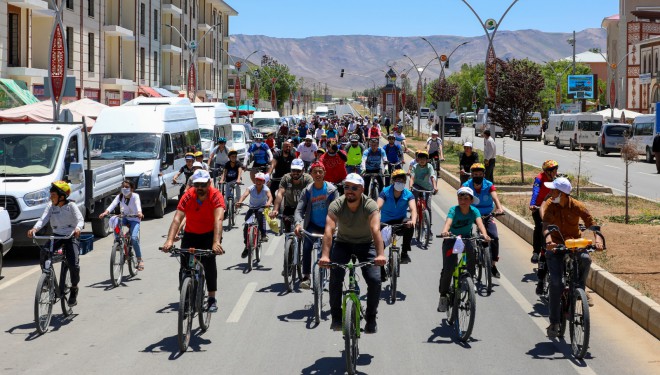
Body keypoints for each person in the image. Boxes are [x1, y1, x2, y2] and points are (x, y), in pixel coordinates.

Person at [319, 173, 386, 333]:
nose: (349, 191)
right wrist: (325, 255)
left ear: (362, 189)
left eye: (354, 188)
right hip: (343, 243)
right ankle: (336, 317)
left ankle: (371, 317)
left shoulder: (370, 205)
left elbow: (375, 230)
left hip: (366, 244)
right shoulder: (337, 204)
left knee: (375, 280)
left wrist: (380, 254)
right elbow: (329, 230)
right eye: (346, 187)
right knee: (335, 279)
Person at [542, 177, 603, 337]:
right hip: (556, 246)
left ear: (562, 193)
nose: (550, 192)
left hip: (575, 243)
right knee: (557, 283)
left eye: (553, 190)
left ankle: (579, 291)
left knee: (586, 259)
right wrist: (548, 240)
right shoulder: (549, 204)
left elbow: (591, 222)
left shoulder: (576, 206)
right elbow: (546, 225)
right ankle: (554, 322)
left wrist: (598, 238)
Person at [162, 169, 225, 313]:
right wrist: (169, 241)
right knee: (184, 266)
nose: (200, 188)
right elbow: (177, 218)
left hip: (210, 234)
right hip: (191, 234)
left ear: (209, 183)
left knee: (209, 263)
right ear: (193, 184)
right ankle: (186, 297)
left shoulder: (216, 195)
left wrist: (216, 243)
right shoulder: (188, 195)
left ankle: (211, 298)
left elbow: (218, 219)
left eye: (203, 184)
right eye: (197, 185)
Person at [28, 181, 84, 306]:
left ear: (62, 196)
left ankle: (74, 288)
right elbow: (43, 219)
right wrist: (35, 229)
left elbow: (80, 220)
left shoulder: (71, 206)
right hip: (57, 236)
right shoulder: (50, 206)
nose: (50, 197)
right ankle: (47, 280)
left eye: (53, 195)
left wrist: (78, 229)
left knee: (73, 264)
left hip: (70, 236)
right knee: (44, 252)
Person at [437, 187, 491, 312]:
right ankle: (443, 296)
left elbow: (480, 223)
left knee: (472, 258)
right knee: (448, 269)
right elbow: (448, 223)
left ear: (471, 200)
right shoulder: (453, 210)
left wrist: (485, 234)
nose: (463, 201)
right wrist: (445, 231)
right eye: (460, 198)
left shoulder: (474, 211)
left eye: (466, 198)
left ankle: (469, 282)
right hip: (451, 239)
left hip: (466, 238)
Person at [293, 162, 339, 289]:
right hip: (312, 225)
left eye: (320, 171)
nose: (318, 174)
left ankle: (334, 277)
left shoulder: (332, 190)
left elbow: (338, 209)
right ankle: (306, 276)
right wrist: (298, 224)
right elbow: (299, 210)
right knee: (307, 246)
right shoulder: (307, 191)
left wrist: (336, 226)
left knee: (333, 250)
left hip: (328, 226)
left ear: (324, 173)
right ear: (311, 174)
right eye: (315, 172)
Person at [462, 163, 504, 278]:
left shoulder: (488, 185)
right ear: (471, 175)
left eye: (480, 174)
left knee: (494, 236)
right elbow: (462, 198)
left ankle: (493, 265)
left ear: (484, 175)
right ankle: (465, 262)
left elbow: (495, 196)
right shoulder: (466, 185)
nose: (478, 176)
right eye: (475, 174)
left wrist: (499, 208)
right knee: (466, 237)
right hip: (471, 214)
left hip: (487, 214)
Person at [99, 180, 145, 270]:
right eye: (123, 187)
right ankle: (118, 241)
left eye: (127, 187)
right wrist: (105, 213)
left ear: (132, 189)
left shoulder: (135, 196)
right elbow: (112, 205)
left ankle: (139, 259)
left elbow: (138, 205)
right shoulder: (120, 196)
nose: (124, 189)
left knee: (134, 238)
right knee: (115, 220)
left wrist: (139, 212)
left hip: (134, 218)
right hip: (124, 217)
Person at [377, 169, 416, 265]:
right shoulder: (385, 192)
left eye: (402, 180)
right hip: (385, 223)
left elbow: (413, 209)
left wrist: (413, 221)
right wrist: (375, 219)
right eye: (397, 180)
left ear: (405, 182)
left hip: (401, 221)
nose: (400, 182)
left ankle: (404, 252)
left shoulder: (408, 194)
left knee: (409, 225)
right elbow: (377, 207)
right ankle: (381, 269)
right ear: (393, 181)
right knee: (379, 247)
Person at [529, 160, 559, 273]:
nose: (556, 172)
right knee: (539, 227)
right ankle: (536, 251)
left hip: (550, 206)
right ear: (548, 172)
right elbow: (535, 191)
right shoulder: (539, 178)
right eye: (554, 170)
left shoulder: (556, 179)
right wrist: (532, 204)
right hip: (537, 206)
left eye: (556, 170)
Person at [236, 172, 273, 256]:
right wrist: (240, 202)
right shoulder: (251, 188)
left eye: (260, 180)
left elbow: (270, 197)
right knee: (246, 225)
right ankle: (246, 245)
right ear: (254, 180)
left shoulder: (266, 189)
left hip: (262, 207)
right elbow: (244, 195)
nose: (258, 182)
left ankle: (263, 234)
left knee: (260, 215)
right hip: (252, 208)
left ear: (264, 181)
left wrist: (268, 203)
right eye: (257, 180)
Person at [271, 159, 313, 232]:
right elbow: (280, 194)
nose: (295, 173)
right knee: (287, 231)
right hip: (290, 207)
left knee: (306, 230)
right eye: (293, 170)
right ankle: (288, 241)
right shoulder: (286, 178)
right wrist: (275, 209)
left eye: (298, 171)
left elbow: (312, 195)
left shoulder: (308, 179)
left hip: (304, 208)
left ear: (303, 170)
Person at [409, 150, 438, 229]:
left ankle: (429, 228)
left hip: (427, 187)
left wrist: (435, 187)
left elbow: (432, 177)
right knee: (413, 202)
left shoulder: (429, 166)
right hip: (417, 186)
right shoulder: (415, 167)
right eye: (420, 158)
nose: (422, 160)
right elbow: (412, 178)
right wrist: (410, 186)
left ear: (427, 160)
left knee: (428, 207)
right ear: (417, 160)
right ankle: (414, 216)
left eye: (424, 159)